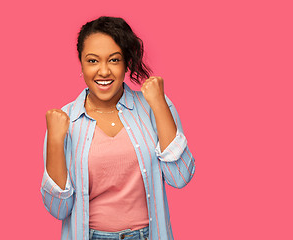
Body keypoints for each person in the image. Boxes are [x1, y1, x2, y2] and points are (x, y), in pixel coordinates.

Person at [40, 16, 196, 240]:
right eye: (93, 61)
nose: (103, 72)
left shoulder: (154, 106)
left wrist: (160, 105)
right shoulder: (65, 120)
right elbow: (58, 209)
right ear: (81, 63)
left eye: (113, 60)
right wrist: (55, 141)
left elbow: (180, 177)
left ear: (126, 63)